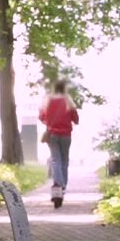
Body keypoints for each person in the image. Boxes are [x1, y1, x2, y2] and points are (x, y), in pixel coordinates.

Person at [38, 79, 79, 208]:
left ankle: (58, 183)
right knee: (64, 160)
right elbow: (76, 118)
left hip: (52, 134)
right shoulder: (68, 100)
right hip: (66, 135)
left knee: (55, 159)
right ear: (64, 88)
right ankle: (63, 185)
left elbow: (42, 116)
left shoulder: (48, 100)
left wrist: (49, 122)